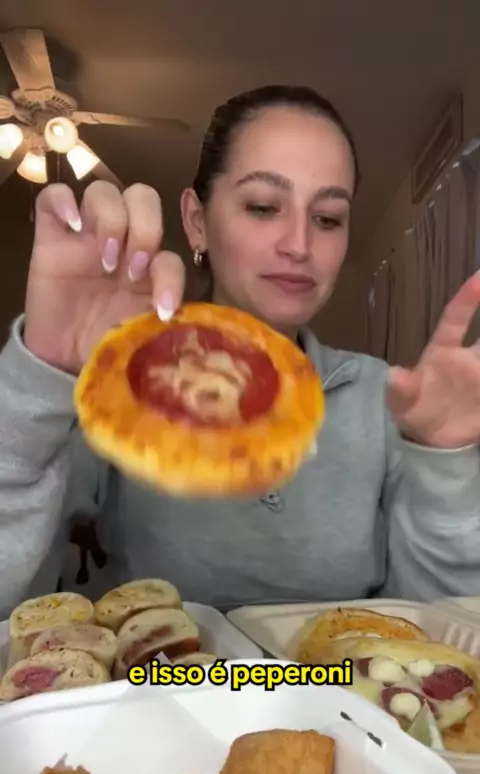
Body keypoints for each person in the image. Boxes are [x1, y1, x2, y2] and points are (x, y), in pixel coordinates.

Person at [0, 84, 479, 619]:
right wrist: (37, 381)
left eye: (327, 218)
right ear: (197, 220)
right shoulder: (119, 381)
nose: (299, 245)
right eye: (263, 207)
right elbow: (14, 609)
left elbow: (437, 631)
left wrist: (445, 467)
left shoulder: (380, 395)